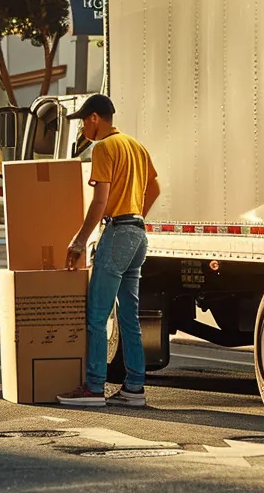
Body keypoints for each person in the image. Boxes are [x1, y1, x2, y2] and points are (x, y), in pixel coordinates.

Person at [58, 94, 160, 408]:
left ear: (94, 118)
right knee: (128, 316)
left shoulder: (103, 148)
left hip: (117, 233)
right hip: (138, 233)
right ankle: (134, 388)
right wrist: (135, 214)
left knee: (97, 315)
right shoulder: (135, 146)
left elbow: (99, 202)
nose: (82, 131)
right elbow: (154, 188)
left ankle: (92, 388)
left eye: (82, 123)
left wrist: (78, 240)